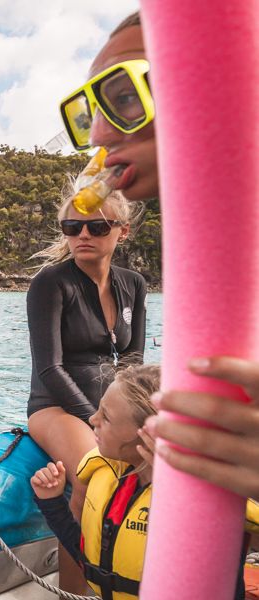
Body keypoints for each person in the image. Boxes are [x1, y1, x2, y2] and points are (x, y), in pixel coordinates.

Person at [64, 10, 259, 509]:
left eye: (124, 97)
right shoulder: (209, 254)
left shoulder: (134, 281)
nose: (99, 137)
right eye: (87, 114)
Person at [31, 364, 258, 599]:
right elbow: (89, 560)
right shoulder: (108, 473)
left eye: (106, 417)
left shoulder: (205, 493)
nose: (92, 419)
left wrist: (183, 497)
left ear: (148, 433)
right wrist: (52, 502)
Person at [26, 186, 147, 590]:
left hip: (111, 406)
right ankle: (77, 593)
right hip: (55, 407)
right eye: (72, 226)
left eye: (96, 226)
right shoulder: (51, 283)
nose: (83, 235)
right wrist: (97, 418)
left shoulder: (133, 284)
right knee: (92, 472)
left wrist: (139, 418)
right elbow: (49, 368)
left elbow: (133, 367)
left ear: (122, 232)